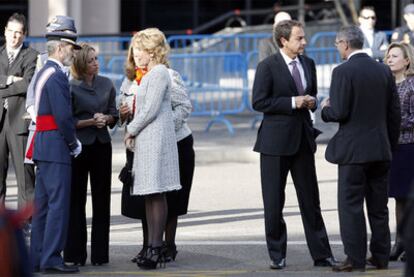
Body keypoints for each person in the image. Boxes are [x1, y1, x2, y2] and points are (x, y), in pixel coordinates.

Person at [252, 19, 334, 270]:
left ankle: (322, 254)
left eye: (304, 37)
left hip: (302, 140)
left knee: (311, 201)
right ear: (283, 41)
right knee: (274, 202)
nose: (304, 42)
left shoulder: (308, 63)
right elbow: (259, 102)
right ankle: (277, 254)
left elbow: (310, 93)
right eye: (299, 38)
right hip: (274, 143)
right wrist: (292, 102)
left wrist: (311, 101)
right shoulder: (268, 66)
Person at [321, 25, 401, 272]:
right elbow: (394, 113)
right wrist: (389, 143)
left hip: (353, 152)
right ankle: (380, 256)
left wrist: (325, 108)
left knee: (351, 206)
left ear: (345, 44)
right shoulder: (383, 71)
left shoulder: (342, 72)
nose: (337, 49)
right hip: (380, 148)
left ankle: (355, 259)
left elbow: (340, 111)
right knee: (379, 207)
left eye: (337, 44)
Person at [119, 32, 195, 264]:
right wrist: (123, 114)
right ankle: (148, 246)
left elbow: (182, 107)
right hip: (140, 141)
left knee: (165, 196)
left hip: (171, 140)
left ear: (152, 51)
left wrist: (162, 130)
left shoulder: (167, 74)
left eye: (139, 49)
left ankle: (163, 246)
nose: (134, 54)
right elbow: (126, 105)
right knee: (146, 195)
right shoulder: (132, 78)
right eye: (133, 49)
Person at [29, 18, 82, 274]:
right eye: (71, 48)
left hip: (43, 145)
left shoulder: (43, 72)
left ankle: (38, 255)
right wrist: (73, 143)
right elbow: (63, 117)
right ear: (61, 47)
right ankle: (51, 257)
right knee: (58, 205)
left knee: (42, 206)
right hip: (55, 145)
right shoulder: (57, 76)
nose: (73, 53)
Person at [63, 43, 118, 266]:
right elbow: (67, 121)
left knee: (102, 200)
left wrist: (107, 119)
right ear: (81, 64)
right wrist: (90, 121)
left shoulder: (107, 84)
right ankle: (75, 255)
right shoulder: (70, 86)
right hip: (78, 147)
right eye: (91, 60)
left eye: (97, 59)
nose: (96, 63)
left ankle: (100, 255)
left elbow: (114, 114)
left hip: (102, 145)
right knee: (76, 201)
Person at [0, 13, 37, 212]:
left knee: (26, 177)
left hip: (19, 123)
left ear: (24, 35)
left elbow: (28, 83)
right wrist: (10, 79)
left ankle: (27, 220)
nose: (14, 37)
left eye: (18, 33)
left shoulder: (31, 55)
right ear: (5, 31)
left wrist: (2, 83)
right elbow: (19, 83)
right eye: (11, 32)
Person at [384, 42, 414, 262]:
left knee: (409, 197)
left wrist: (392, 123)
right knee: (398, 197)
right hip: (391, 146)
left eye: (395, 56)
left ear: (407, 61)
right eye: (388, 56)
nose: (390, 59)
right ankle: (399, 242)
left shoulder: (412, 86)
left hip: (409, 146)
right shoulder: (385, 85)